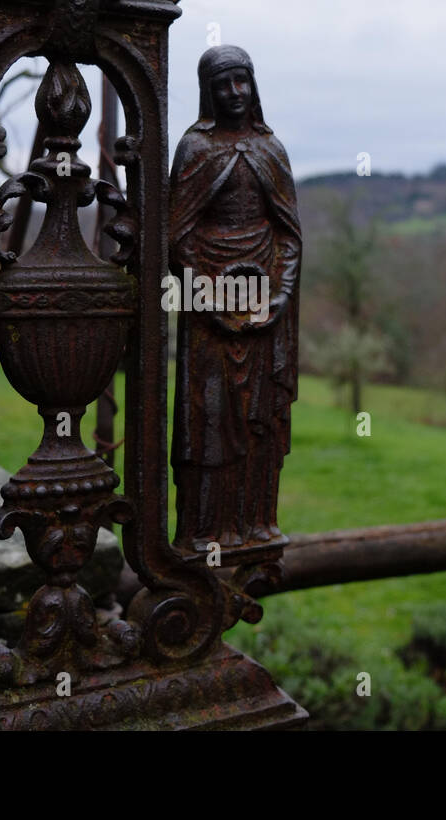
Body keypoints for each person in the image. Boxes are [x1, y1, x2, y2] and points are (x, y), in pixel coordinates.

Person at [169, 45, 301, 553]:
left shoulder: (272, 151)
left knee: (259, 420)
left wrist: (279, 296)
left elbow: (289, 234)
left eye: (241, 81)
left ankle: (256, 524)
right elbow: (176, 236)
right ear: (209, 91)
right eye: (223, 84)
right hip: (211, 307)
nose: (234, 93)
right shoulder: (195, 150)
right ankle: (205, 530)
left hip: (265, 306)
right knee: (210, 421)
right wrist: (208, 297)